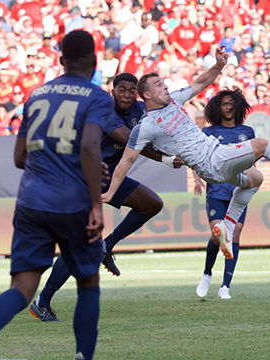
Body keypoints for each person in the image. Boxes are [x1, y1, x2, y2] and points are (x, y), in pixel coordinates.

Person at [103, 46, 270, 262]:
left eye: (164, 83)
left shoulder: (174, 100)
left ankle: (227, 226)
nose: (165, 87)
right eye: (159, 85)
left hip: (216, 156)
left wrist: (218, 65)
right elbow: (125, 162)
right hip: (210, 163)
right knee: (260, 144)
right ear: (146, 96)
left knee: (256, 179)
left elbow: (200, 83)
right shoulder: (146, 126)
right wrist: (111, 192)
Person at [0, 30, 110, 360]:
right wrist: (96, 204)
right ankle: (82, 356)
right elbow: (89, 146)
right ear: (95, 61)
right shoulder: (96, 97)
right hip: (72, 202)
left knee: (22, 287)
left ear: (61, 61)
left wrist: (64, 162)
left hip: (31, 201)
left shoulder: (37, 95)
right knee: (88, 282)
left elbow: (19, 158)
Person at [28, 72, 184, 322]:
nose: (126, 95)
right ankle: (42, 302)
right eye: (121, 89)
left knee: (152, 204)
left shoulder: (140, 109)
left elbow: (165, 113)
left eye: (131, 90)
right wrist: (166, 158)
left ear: (138, 93)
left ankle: (106, 246)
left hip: (109, 175)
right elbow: (130, 140)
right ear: (112, 91)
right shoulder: (103, 111)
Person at [193, 89, 254, 300]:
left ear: (238, 106)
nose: (228, 107)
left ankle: (225, 286)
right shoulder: (209, 132)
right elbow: (197, 157)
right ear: (217, 107)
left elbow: (252, 162)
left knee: (235, 234)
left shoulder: (248, 131)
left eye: (231, 104)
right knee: (218, 234)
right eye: (224, 104)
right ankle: (207, 273)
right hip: (217, 190)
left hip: (239, 191)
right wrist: (197, 179)